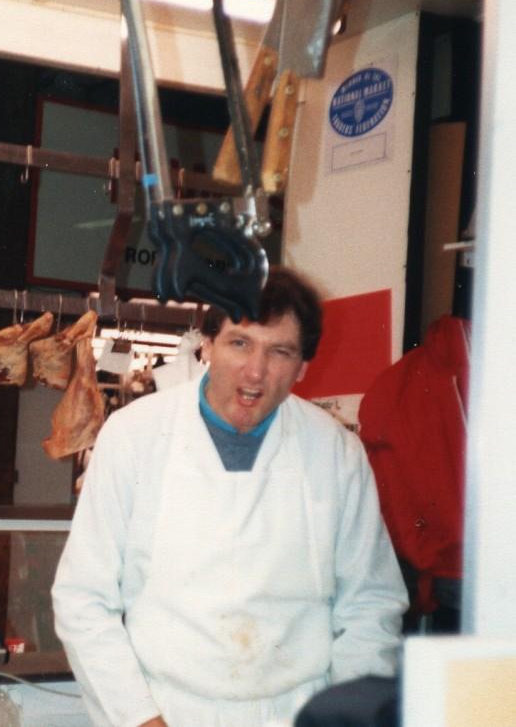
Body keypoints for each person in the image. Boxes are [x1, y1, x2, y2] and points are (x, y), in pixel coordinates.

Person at [51, 267, 408, 727]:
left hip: (296, 713)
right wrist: (138, 718)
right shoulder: (134, 437)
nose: (256, 370)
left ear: (302, 368)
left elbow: (370, 606)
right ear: (207, 347)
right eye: (239, 343)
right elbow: (83, 597)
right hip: (164, 711)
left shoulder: (335, 452)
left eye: (279, 351)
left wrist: (340, 717)